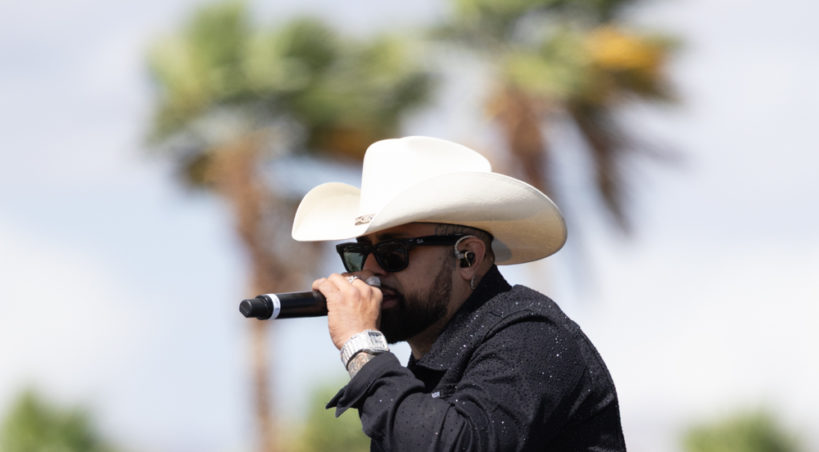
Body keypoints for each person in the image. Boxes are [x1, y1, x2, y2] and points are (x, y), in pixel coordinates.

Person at [291, 136, 626, 451]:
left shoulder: (531, 335)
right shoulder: (419, 378)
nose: (369, 271)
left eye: (393, 252)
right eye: (360, 253)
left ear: (468, 257)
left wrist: (361, 346)